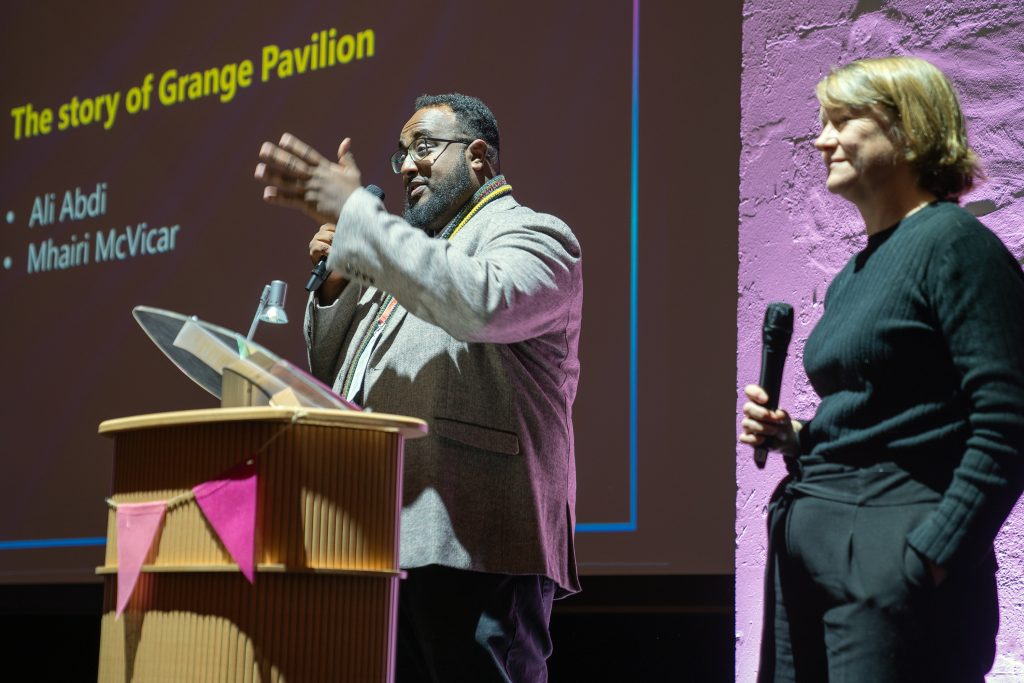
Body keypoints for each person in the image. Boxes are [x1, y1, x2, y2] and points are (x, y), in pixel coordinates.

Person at [254, 93, 582, 682]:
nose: (405, 167)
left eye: (424, 149)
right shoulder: (412, 254)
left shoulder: (536, 237)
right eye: (400, 155)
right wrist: (336, 286)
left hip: (477, 545)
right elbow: (336, 373)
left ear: (478, 157)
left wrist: (361, 221)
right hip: (377, 545)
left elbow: (479, 301)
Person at [740, 56, 1024, 682]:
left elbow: (1009, 419)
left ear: (909, 133)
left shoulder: (955, 245)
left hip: (889, 562)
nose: (821, 139)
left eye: (842, 120)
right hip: (815, 552)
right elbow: (890, 417)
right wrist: (800, 438)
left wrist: (930, 556)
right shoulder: (855, 274)